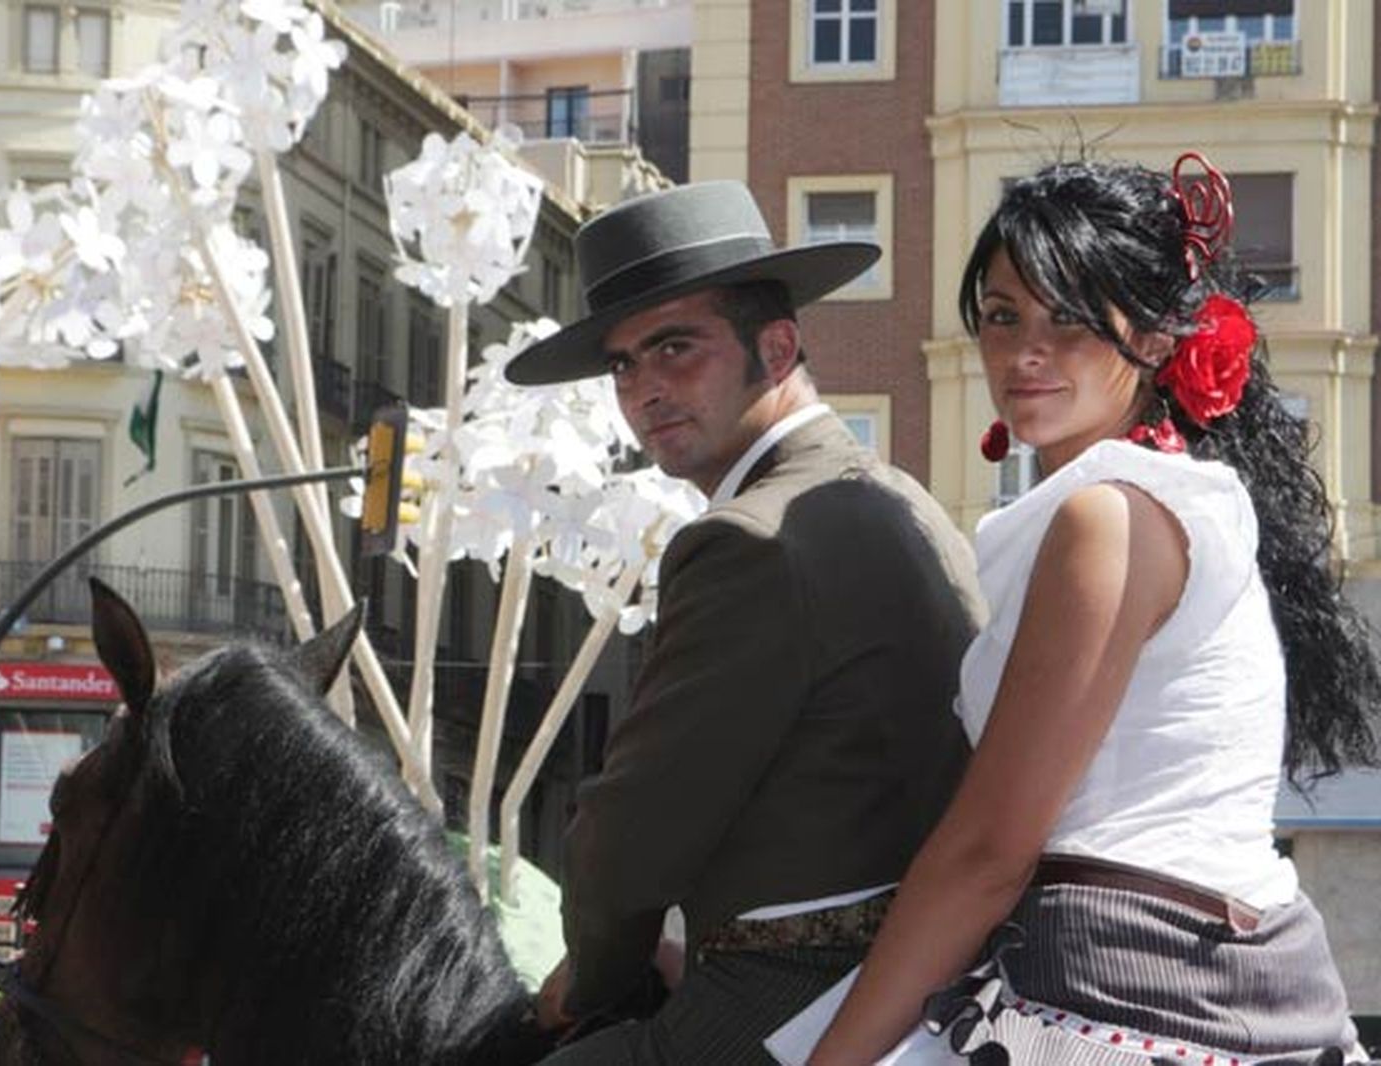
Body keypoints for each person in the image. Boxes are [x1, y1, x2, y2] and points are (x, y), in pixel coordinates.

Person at [793, 156, 1381, 1066]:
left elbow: (992, 849)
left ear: (1152, 336)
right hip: (1222, 979)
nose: (1023, 351)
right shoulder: (1169, 503)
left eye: (1068, 317)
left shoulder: (1107, 516)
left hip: (1127, 998)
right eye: (1000, 315)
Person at [503, 181, 985, 1063]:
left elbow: (631, 834)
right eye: (622, 365)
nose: (645, 390)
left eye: (675, 348)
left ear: (778, 345)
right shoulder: (900, 499)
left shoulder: (746, 539)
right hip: (919, 978)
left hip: (800, 994)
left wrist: (585, 982)